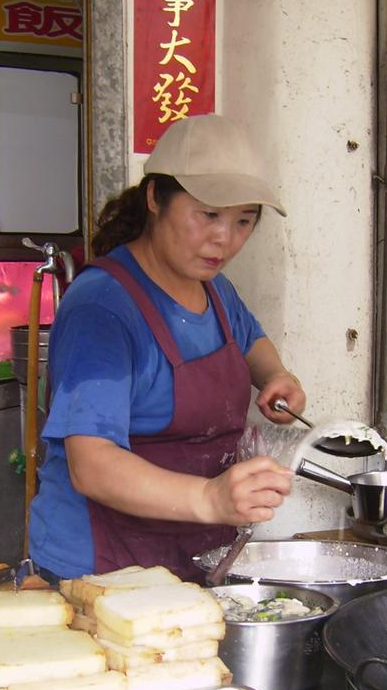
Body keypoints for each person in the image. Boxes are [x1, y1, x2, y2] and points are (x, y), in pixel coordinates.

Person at [28, 113, 306, 583]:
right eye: (209, 215)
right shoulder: (102, 309)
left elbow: (250, 339)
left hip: (192, 554)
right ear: (156, 197)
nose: (224, 239)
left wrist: (279, 376)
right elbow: (91, 465)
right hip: (100, 569)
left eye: (243, 221)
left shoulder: (215, 289)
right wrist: (209, 499)